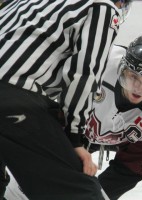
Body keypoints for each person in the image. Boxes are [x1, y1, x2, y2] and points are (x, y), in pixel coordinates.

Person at [5, 33, 142, 200]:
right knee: (25, 181)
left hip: (130, 143)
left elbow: (129, 170)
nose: (138, 87)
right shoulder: (100, 63)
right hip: (76, 128)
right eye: (133, 77)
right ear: (123, 69)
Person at [0, 0, 132, 199]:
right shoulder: (102, 6)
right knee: (80, 191)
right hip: (12, 94)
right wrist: (74, 137)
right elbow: (84, 74)